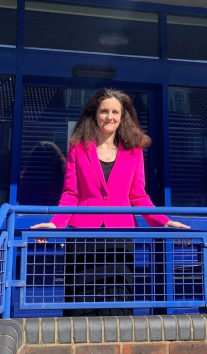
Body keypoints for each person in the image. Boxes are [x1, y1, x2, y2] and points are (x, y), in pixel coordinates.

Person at [30, 88, 190, 316]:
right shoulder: (78, 148)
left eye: (116, 112)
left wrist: (164, 222)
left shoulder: (133, 151)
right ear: (94, 114)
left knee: (117, 304)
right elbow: (71, 194)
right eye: (104, 111)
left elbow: (138, 196)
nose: (110, 116)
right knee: (80, 304)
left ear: (122, 117)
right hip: (83, 235)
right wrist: (56, 223)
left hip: (119, 236)